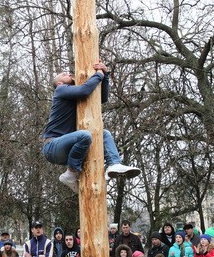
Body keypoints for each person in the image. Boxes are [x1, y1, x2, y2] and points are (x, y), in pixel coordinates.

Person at [42, 61, 140, 192]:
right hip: (52, 146)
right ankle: (71, 173)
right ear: (59, 83)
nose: (69, 73)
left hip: (67, 147)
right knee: (85, 135)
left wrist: (105, 75)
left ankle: (114, 164)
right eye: (64, 74)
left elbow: (101, 98)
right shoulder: (60, 90)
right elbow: (84, 90)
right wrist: (99, 74)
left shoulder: (73, 96)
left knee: (103, 133)